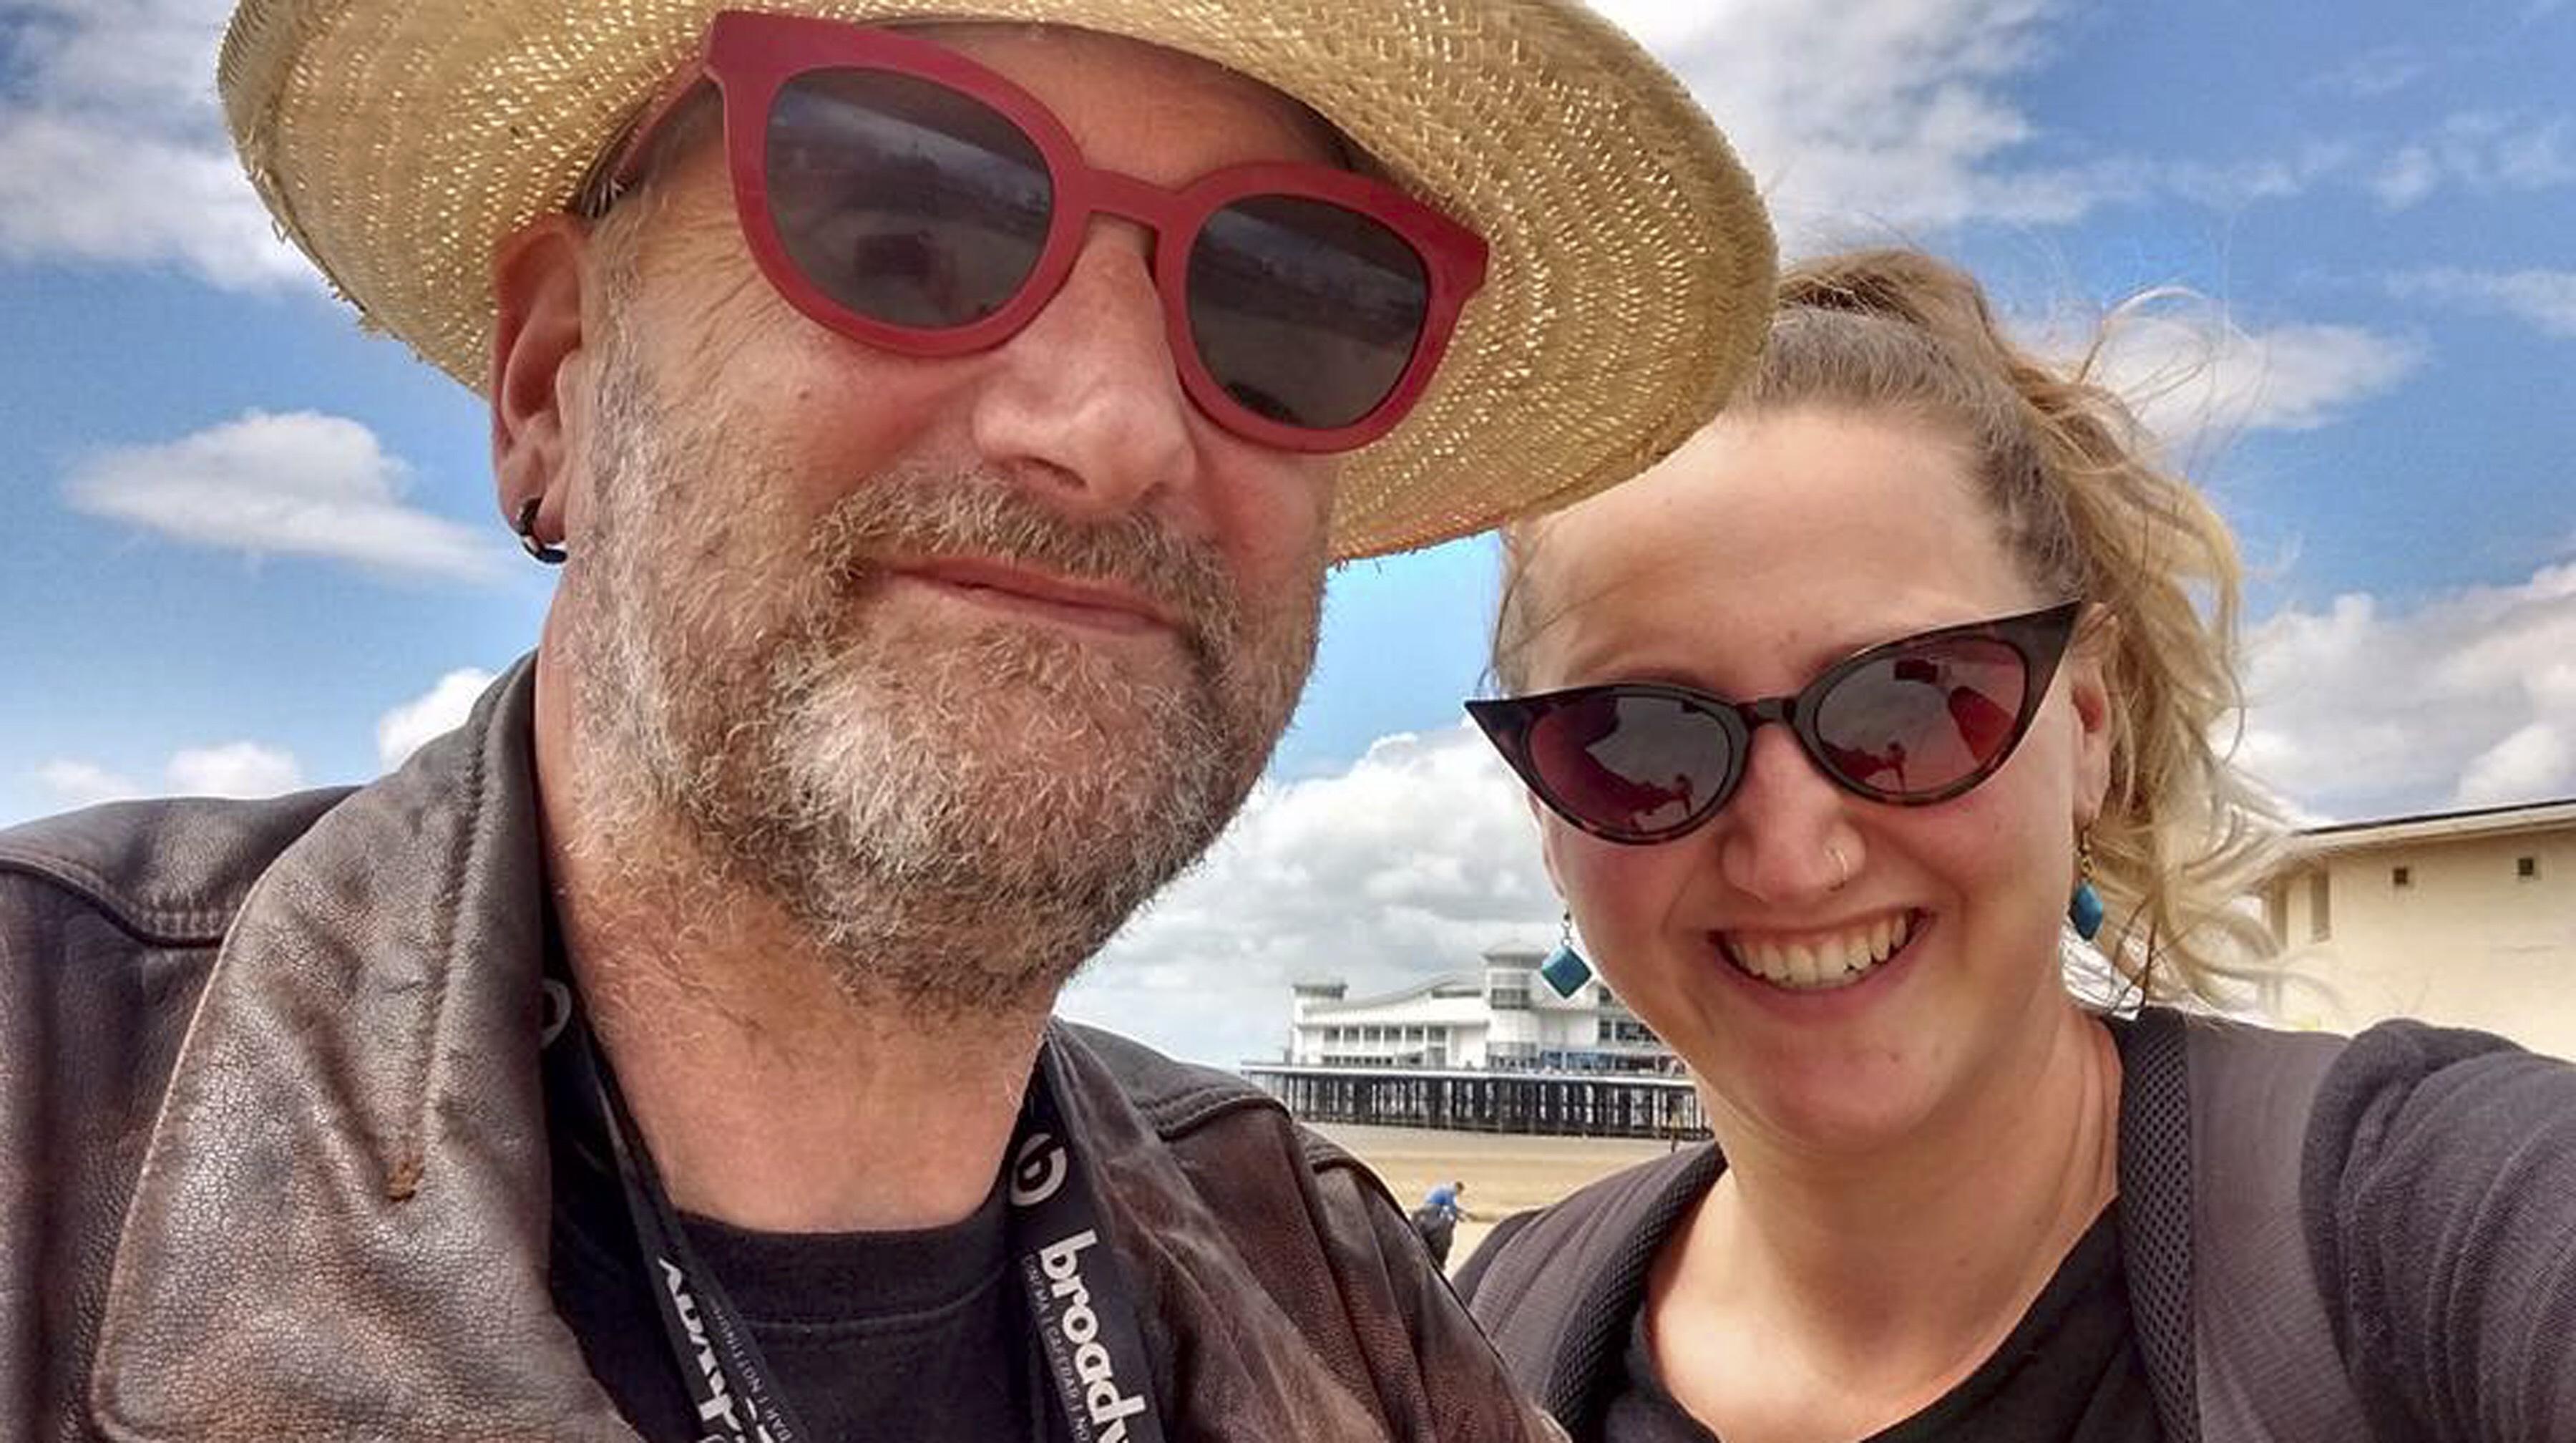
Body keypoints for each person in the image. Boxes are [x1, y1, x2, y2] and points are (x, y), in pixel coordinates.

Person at [0, 4, 1779, 1439]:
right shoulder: (38, 1093)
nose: (1112, 428)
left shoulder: (1320, 1279)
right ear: (552, 381)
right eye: (906, 218)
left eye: (1286, 303)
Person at [1453, 249, 2576, 1440]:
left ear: (2086, 726)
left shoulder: (2420, 1220)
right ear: (1545, 810)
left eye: (1913, 700)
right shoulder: (1488, 1330)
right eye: (1634, 740)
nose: (1794, 858)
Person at [1413, 1179, 1473, 1266]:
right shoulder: (1449, 1193)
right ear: (1457, 1188)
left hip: (1427, 1208)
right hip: (1433, 1209)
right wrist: (1460, 1217)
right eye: (1459, 1192)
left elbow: (1453, 1207)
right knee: (1446, 1224)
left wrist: (1462, 1211)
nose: (1458, 1194)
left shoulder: (1445, 1189)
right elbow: (1451, 1208)